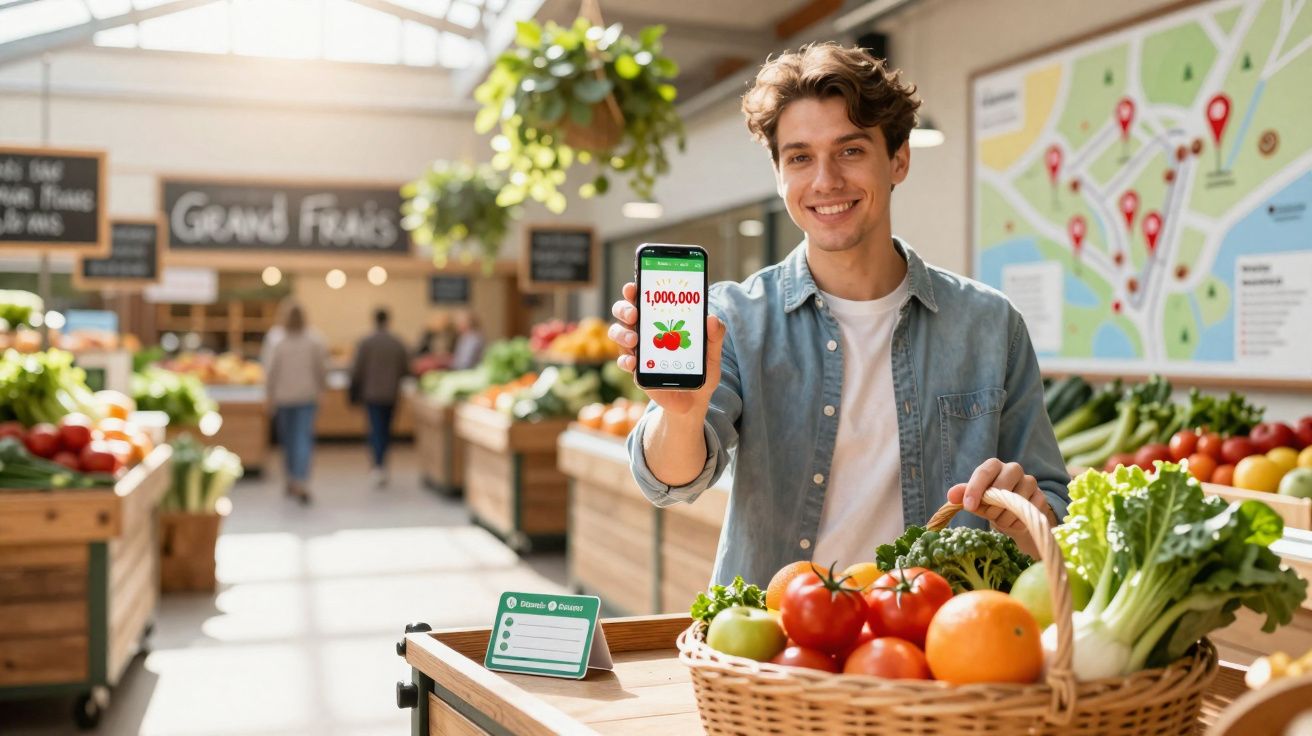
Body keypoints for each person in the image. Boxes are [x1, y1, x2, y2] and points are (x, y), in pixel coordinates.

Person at [607, 43, 1071, 589]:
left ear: (897, 160)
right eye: (800, 157)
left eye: (850, 151)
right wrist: (681, 414)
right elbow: (673, 483)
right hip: (779, 643)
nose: (825, 181)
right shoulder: (732, 319)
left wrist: (1025, 518)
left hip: (938, 643)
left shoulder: (990, 326)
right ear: (780, 173)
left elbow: (1051, 516)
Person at [265, 302, 327, 505]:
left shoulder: (276, 339)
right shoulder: (314, 339)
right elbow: (322, 369)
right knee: (302, 439)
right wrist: (322, 389)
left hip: (283, 397)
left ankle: (292, 478)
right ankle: (300, 480)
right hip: (306, 397)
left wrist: (269, 395)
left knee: (288, 441)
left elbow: (270, 371)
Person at [351, 307, 410, 487]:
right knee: (386, 429)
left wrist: (354, 389)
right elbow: (405, 368)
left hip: (372, 393)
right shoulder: (397, 342)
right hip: (391, 393)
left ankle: (378, 464)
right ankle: (382, 462)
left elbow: (357, 369)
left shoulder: (366, 342)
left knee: (375, 428)